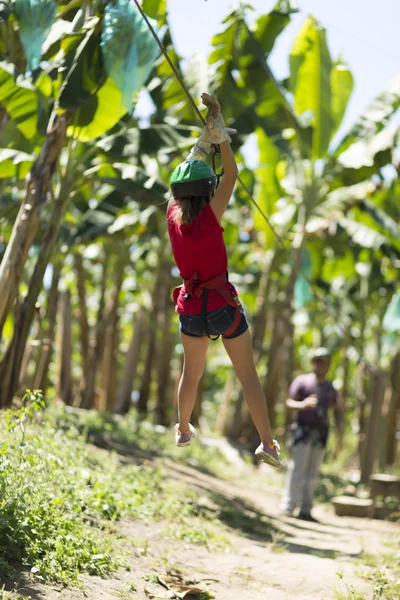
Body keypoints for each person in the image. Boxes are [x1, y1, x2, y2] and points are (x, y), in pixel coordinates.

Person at [166, 92, 281, 469]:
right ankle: (267, 444)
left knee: (191, 374)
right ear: (207, 191)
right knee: (248, 377)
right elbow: (230, 174)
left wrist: (204, 140)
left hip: (190, 308)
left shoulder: (172, 218)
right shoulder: (212, 216)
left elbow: (182, 178)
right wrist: (221, 139)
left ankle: (183, 428)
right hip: (220, 305)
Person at [280, 347, 344, 521]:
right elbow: (288, 402)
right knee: (297, 468)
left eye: (324, 362)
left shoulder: (331, 388)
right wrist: (303, 405)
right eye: (317, 361)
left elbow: (338, 410)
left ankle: (306, 509)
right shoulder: (302, 381)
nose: (320, 365)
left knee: (312, 472)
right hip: (303, 430)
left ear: (328, 365)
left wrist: (340, 433)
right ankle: (289, 505)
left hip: (321, 433)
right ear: (313, 363)